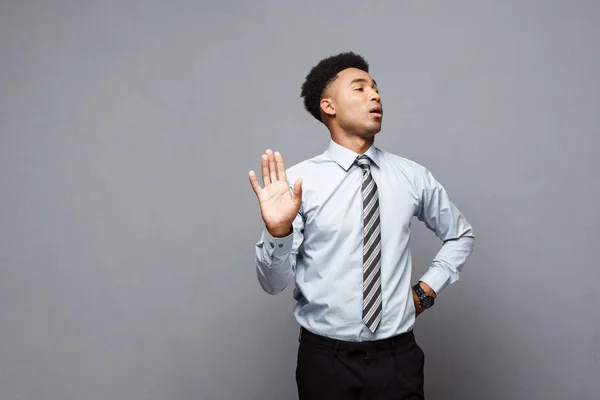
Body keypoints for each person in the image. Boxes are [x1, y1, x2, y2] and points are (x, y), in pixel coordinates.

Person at [248, 51, 475, 400]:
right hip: (325, 362)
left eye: (376, 88)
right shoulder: (297, 183)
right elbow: (272, 284)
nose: (375, 95)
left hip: (399, 359)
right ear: (329, 106)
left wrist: (425, 292)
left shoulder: (411, 176)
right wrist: (279, 233)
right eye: (360, 88)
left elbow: (460, 235)